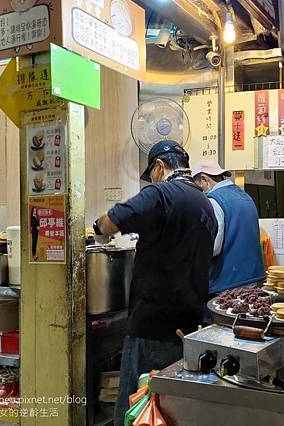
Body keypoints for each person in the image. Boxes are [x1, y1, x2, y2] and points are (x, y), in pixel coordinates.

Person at [93, 140, 217, 426]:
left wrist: (98, 229)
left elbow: (114, 219)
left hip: (152, 323)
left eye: (152, 174)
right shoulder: (205, 203)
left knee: (137, 408)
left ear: (159, 167)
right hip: (187, 324)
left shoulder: (162, 193)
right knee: (169, 408)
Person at [192, 161, 264, 295]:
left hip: (228, 281)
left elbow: (213, 247)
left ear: (204, 179)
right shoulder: (245, 196)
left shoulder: (213, 200)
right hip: (253, 276)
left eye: (197, 186)